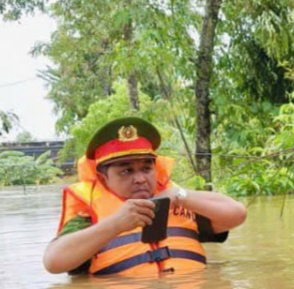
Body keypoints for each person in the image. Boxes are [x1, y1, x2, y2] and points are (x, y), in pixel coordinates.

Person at [44, 116, 247, 277]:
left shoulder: (177, 202)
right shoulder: (88, 216)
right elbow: (53, 262)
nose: (140, 179)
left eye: (146, 168)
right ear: (103, 177)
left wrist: (181, 197)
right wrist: (116, 223)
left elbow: (237, 214)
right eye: (127, 171)